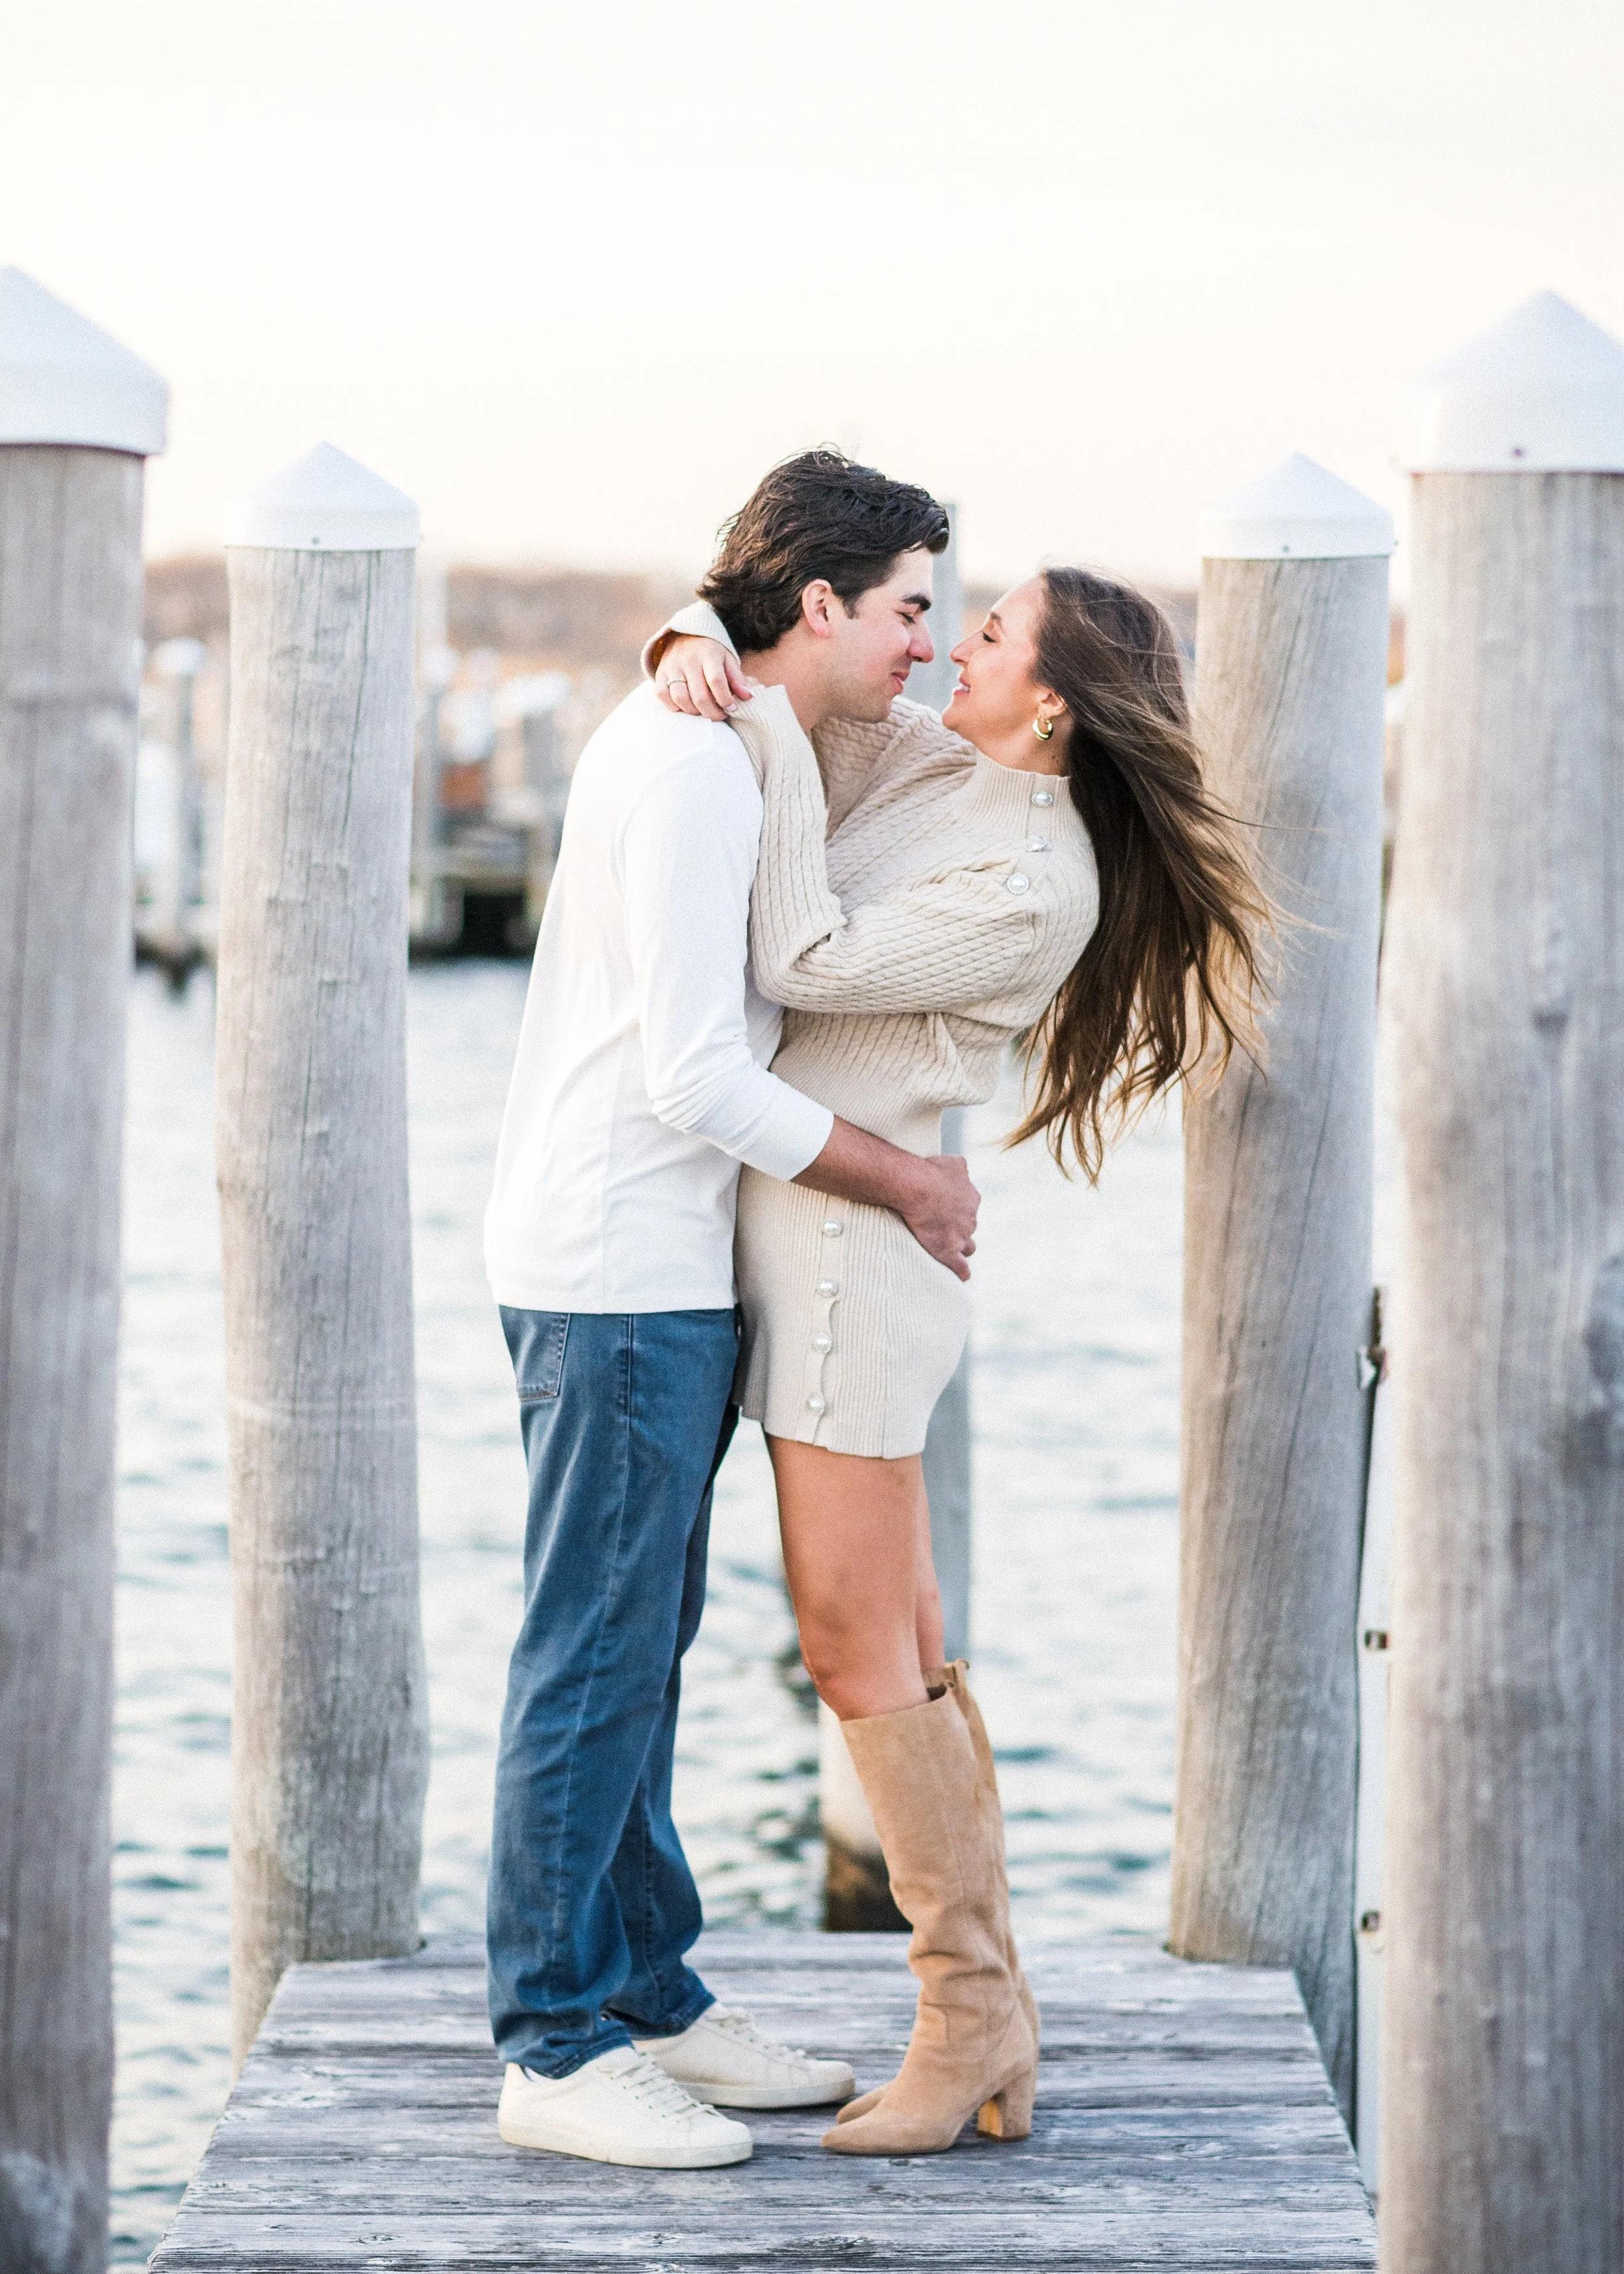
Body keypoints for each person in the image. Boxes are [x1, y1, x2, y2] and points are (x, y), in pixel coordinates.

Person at [648, 542, 1265, 2156]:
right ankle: (989, 2014)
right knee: (903, 1643)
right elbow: (793, 694)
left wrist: (769, 737)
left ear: (1051, 704)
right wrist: (685, 643)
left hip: (856, 1278)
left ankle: (959, 2011)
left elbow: (798, 965)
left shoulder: (1035, 880)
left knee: (856, 1653)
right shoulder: (936, 762)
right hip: (817, 1248)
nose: (951, 651)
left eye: (984, 635)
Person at [481, 452, 984, 2169]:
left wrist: (687, 625)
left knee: (643, 1644)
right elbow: (700, 1070)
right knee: (594, 1659)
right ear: (822, 602)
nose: (929, 638)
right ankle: (555, 2040)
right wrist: (901, 1177)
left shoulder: (731, 725)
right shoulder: (696, 761)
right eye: (910, 605)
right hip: (616, 1265)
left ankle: (648, 1993)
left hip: (655, 1268)